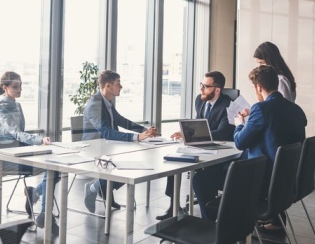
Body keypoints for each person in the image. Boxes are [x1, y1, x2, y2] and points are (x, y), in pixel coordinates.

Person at [192, 65, 306, 224]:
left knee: (200, 179)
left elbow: (239, 142)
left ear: (258, 87)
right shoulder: (296, 109)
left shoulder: (261, 108)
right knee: (223, 168)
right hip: (286, 180)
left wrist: (239, 124)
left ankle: (211, 228)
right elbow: (277, 130)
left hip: (261, 181)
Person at [156, 71, 235, 220]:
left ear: (217, 89)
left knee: (202, 177)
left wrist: (193, 135)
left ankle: (210, 216)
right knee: (175, 161)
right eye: (201, 85)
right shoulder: (200, 100)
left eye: (206, 86)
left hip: (220, 149)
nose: (201, 89)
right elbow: (198, 124)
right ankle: (174, 206)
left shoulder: (228, 105)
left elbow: (223, 132)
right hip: (199, 145)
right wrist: (186, 132)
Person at [82, 70, 158, 213]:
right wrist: (136, 137)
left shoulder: (107, 102)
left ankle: (102, 188)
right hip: (94, 149)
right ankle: (94, 188)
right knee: (125, 167)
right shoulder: (95, 104)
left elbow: (121, 121)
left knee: (130, 165)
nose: (121, 87)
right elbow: (106, 132)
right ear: (108, 86)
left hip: (107, 147)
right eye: (118, 83)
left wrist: (144, 130)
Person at [0, 71, 58, 234]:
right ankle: (44, 212)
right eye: (15, 86)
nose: (19, 89)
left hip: (20, 151)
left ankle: (36, 195)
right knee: (52, 168)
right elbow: (16, 133)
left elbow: (20, 134)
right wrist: (39, 140)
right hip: (8, 157)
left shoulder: (17, 105)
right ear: (4, 87)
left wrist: (38, 142)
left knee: (56, 166)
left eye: (20, 86)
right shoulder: (1, 107)